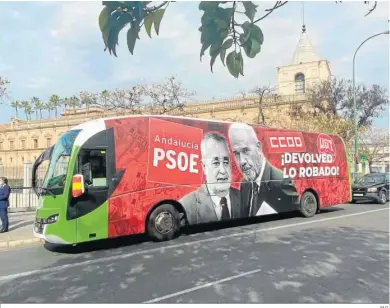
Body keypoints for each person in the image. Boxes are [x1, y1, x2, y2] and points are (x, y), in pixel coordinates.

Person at [228, 123, 299, 217]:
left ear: (258, 148)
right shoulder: (245, 184)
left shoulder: (280, 181)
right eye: (236, 154)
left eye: (245, 150)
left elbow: (292, 220)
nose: (242, 161)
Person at [180, 132, 241, 225]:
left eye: (225, 162)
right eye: (216, 163)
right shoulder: (186, 206)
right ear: (204, 167)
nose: (223, 170)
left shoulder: (245, 198)